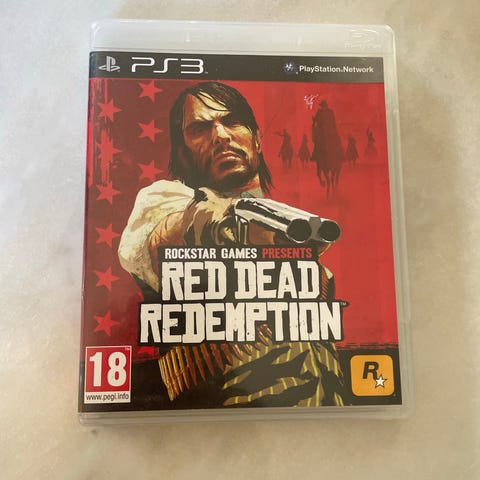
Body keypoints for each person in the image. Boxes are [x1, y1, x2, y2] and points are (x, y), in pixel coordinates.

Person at [119, 81, 344, 408]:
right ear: (182, 150)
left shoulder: (290, 227)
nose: (221, 135)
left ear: (257, 139)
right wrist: (230, 224)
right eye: (200, 128)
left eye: (232, 121)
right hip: (225, 413)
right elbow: (163, 238)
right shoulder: (162, 202)